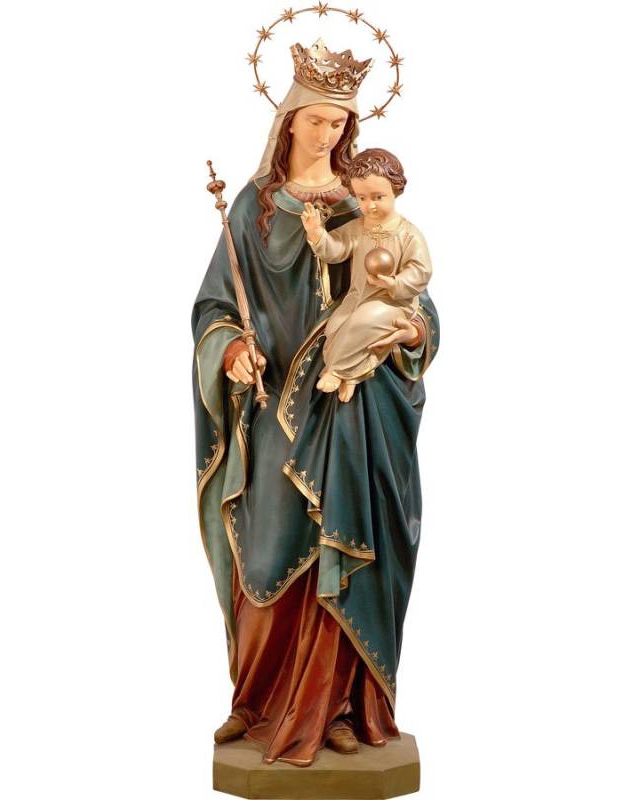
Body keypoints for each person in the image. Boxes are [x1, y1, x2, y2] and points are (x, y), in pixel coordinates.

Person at [192, 39, 441, 767]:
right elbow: (215, 304)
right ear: (290, 119)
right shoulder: (254, 205)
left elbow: (414, 295)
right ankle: (259, 701)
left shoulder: (366, 202)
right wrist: (231, 349)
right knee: (267, 542)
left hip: (351, 407)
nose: (330, 134)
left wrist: (414, 332)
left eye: (341, 123)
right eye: (318, 120)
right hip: (275, 405)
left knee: (346, 541)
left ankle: (338, 709)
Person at [301, 148, 433, 403]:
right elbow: (335, 250)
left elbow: (420, 271)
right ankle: (352, 376)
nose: (369, 205)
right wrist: (317, 233)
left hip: (394, 302)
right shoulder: (357, 228)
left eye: (378, 197)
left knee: (363, 322)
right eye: (361, 198)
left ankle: (337, 372)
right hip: (358, 296)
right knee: (336, 326)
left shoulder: (408, 234)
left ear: (395, 191)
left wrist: (393, 283)